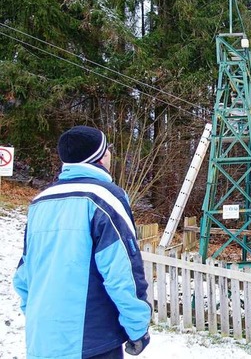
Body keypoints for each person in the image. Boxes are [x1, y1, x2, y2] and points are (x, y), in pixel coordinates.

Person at [13, 126, 151, 359]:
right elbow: (121, 271)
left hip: (42, 338)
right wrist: (137, 328)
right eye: (108, 149)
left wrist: (40, 318)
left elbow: (24, 272)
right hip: (91, 339)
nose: (110, 155)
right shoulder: (105, 197)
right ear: (99, 157)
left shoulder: (39, 202)